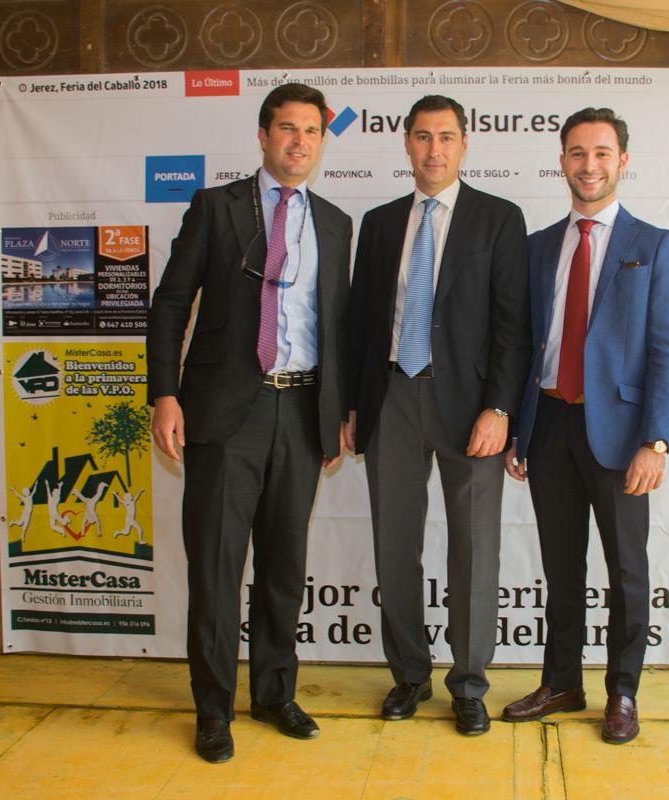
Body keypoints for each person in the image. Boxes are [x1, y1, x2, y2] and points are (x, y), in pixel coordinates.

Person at [147, 83, 351, 764]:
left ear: (322, 141)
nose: (299, 141)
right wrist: (165, 394)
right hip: (223, 415)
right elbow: (171, 305)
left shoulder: (335, 223)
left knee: (284, 569)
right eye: (287, 128)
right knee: (215, 568)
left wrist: (336, 415)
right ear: (264, 137)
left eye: (312, 131)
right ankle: (213, 710)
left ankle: (273, 694)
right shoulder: (216, 207)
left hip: (302, 411)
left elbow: (339, 327)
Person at [346, 95, 530, 736]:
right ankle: (409, 675)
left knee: (474, 549)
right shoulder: (378, 223)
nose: (434, 149)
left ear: (464, 144)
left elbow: (513, 326)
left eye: (446, 137)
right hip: (392, 398)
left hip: (472, 409)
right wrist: (352, 404)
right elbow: (359, 322)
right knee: (395, 545)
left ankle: (469, 684)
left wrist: (499, 408)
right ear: (407, 143)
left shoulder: (498, 218)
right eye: (423, 137)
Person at [501, 108, 669, 745]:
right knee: (562, 567)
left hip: (622, 435)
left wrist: (655, 440)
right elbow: (523, 344)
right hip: (549, 422)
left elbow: (665, 351)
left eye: (602, 153)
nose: (589, 165)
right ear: (562, 162)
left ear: (622, 161)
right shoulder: (537, 246)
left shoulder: (653, 244)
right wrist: (520, 429)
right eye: (577, 153)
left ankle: (623, 692)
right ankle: (561, 682)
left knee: (627, 570)